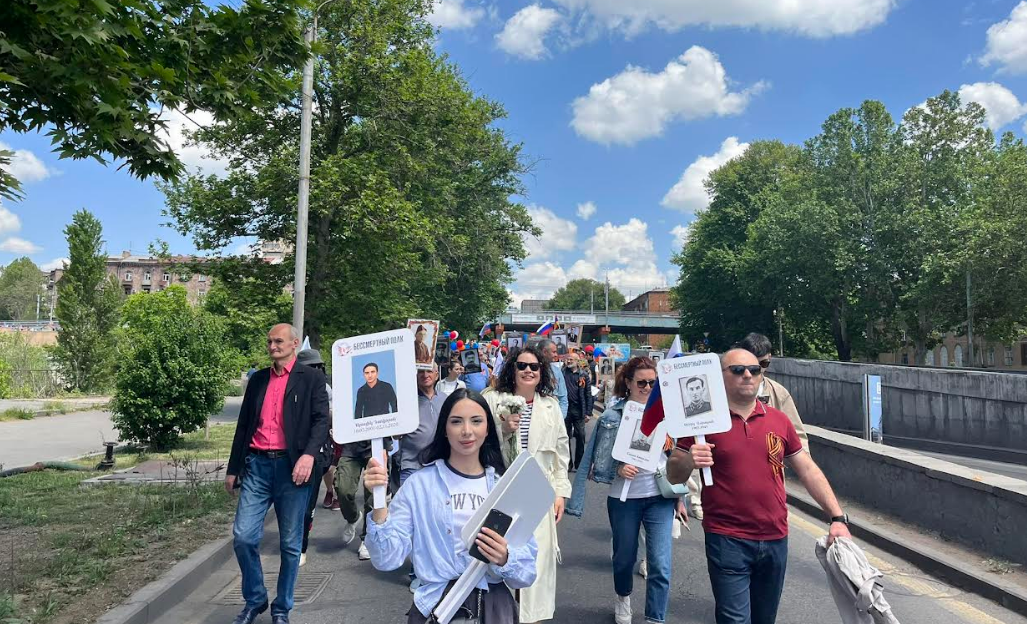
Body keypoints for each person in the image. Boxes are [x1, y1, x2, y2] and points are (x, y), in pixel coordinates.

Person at [667, 349, 852, 624]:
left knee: (764, 619)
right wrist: (690, 459)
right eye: (738, 370)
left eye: (754, 370)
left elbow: (807, 468)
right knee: (734, 620)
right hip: (727, 537)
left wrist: (837, 517)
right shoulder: (702, 422)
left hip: (775, 537)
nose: (748, 375)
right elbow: (673, 474)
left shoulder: (779, 420)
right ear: (720, 376)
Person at [363, 389, 539, 624]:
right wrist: (379, 504)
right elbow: (386, 558)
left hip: (495, 610)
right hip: (438, 607)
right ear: (444, 429)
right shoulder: (419, 485)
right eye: (456, 422)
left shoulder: (503, 488)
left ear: (488, 428)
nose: (467, 431)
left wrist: (505, 557)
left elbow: (527, 573)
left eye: (476, 421)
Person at [224, 324, 330, 624]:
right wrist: (233, 469)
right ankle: (255, 599)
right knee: (243, 537)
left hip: (292, 468)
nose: (272, 346)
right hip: (257, 466)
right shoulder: (258, 380)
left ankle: (281, 608)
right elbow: (243, 426)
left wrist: (308, 456)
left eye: (278, 341)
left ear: (294, 344)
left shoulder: (311, 379)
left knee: (290, 544)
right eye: (269, 341)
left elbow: (321, 421)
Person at [567, 356, 677, 624]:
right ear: (627, 383)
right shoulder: (611, 416)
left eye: (653, 383)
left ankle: (655, 618)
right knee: (624, 558)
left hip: (660, 497)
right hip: (624, 498)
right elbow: (594, 460)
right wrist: (617, 467)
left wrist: (681, 498)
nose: (648, 387)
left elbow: (677, 459)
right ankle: (623, 598)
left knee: (660, 565)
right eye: (642, 382)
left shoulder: (668, 414)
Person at [484, 346, 570, 624]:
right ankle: (501, 616)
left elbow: (560, 453)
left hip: (538, 492)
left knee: (535, 560)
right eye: (522, 365)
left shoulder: (551, 406)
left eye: (534, 366)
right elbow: (478, 441)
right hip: (500, 489)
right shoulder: (492, 399)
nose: (529, 371)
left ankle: (529, 618)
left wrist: (560, 493)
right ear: (513, 369)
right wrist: (502, 430)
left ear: (542, 372)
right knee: (499, 558)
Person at [295, 348, 335, 568]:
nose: (316, 370)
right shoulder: (290, 389)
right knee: (293, 503)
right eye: (312, 367)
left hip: (318, 455)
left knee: (308, 502)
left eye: (318, 367)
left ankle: (301, 546)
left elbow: (331, 418)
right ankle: (294, 540)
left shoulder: (325, 390)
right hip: (291, 455)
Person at [737, 332, 810, 453]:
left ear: (769, 358)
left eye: (763, 364)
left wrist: (806, 468)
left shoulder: (779, 393)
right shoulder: (726, 390)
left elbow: (797, 435)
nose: (758, 370)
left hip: (771, 465)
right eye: (752, 365)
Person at [563, 352, 593, 472]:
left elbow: (588, 395)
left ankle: (579, 464)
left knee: (581, 436)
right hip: (566, 409)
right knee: (565, 437)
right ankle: (567, 464)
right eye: (567, 359)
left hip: (579, 410)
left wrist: (588, 412)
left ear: (577, 361)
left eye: (571, 359)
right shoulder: (562, 373)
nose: (569, 361)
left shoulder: (583, 375)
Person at [539, 339, 569, 419]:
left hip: (554, 418)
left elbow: (563, 397)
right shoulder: (531, 370)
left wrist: (561, 418)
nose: (556, 355)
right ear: (545, 352)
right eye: (554, 352)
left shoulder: (556, 371)